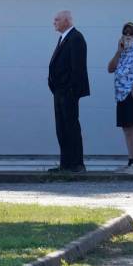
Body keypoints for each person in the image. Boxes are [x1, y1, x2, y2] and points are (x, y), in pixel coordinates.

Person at [48, 10, 90, 173]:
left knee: (71, 126)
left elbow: (78, 68)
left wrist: (71, 90)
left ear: (67, 20)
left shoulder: (76, 38)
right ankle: (65, 164)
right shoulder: (64, 38)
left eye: (57, 19)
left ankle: (77, 164)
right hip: (59, 91)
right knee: (61, 128)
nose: (54, 22)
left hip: (68, 92)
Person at [107, 22, 133, 174]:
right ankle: (130, 161)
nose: (128, 35)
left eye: (131, 33)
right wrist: (118, 51)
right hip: (120, 94)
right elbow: (110, 68)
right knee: (126, 128)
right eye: (126, 32)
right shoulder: (122, 49)